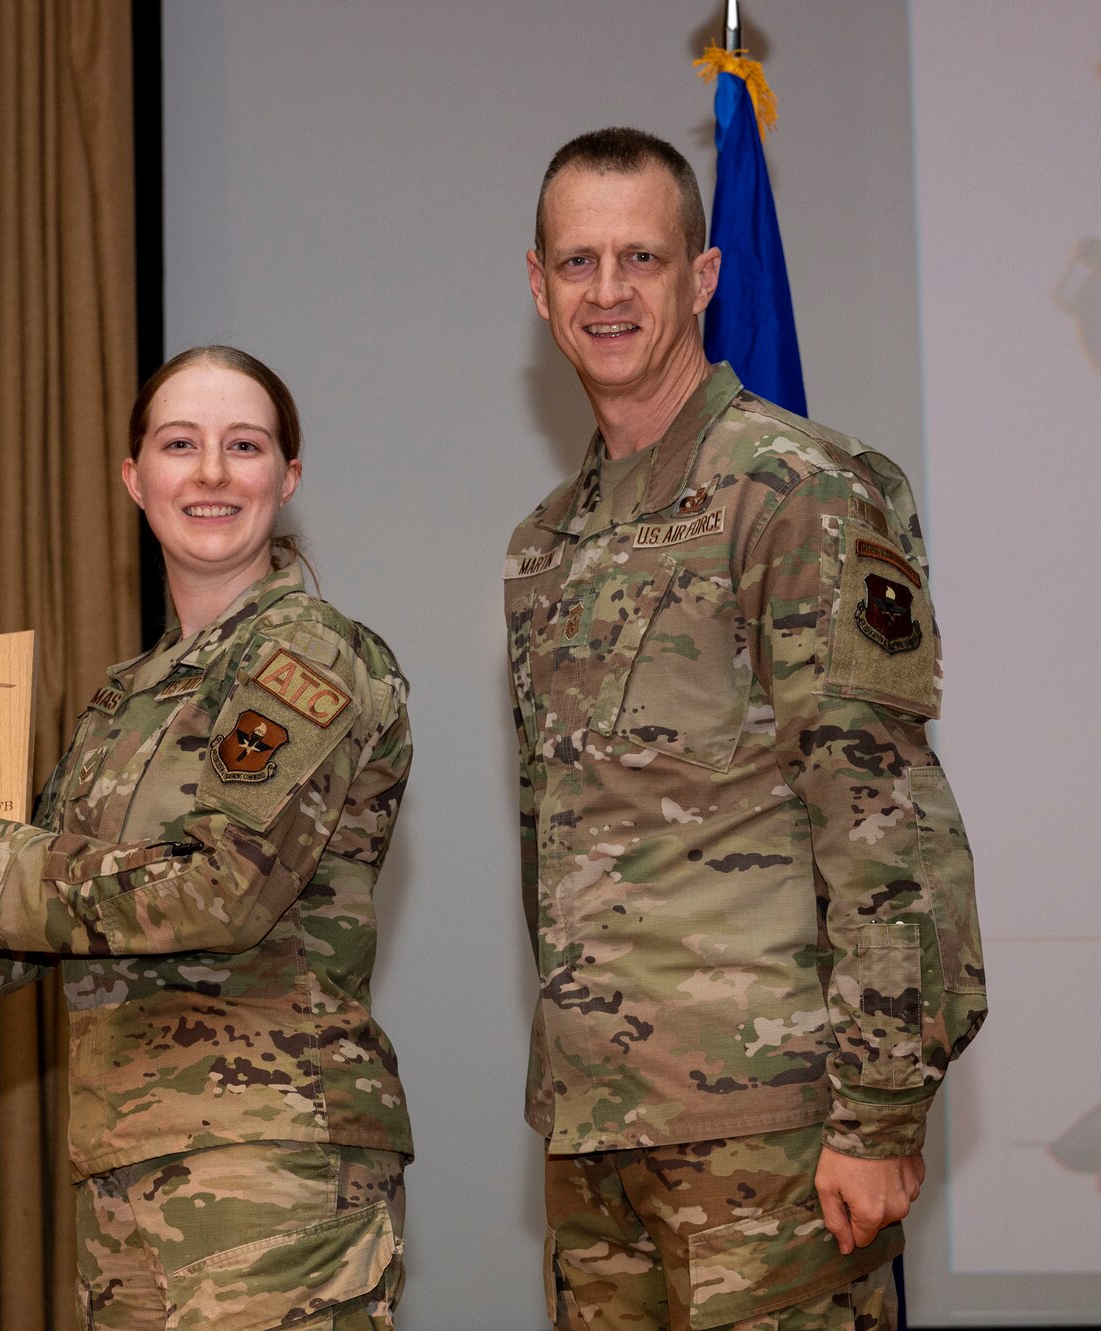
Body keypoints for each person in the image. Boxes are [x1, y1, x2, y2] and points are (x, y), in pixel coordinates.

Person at [0, 346, 415, 1327]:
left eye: (243, 445)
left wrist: (0, 863)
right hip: (130, 1180)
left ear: (286, 478)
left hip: (271, 1177)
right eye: (180, 444)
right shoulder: (123, 701)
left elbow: (222, 887)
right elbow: (11, 931)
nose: (211, 472)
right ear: (134, 478)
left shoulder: (304, 658)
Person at [507, 128, 986, 1331]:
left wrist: (876, 1116)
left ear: (703, 276)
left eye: (640, 258)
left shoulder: (795, 487)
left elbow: (884, 821)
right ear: (536, 284)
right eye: (576, 262)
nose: (606, 292)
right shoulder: (547, 541)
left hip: (769, 1135)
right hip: (597, 1135)